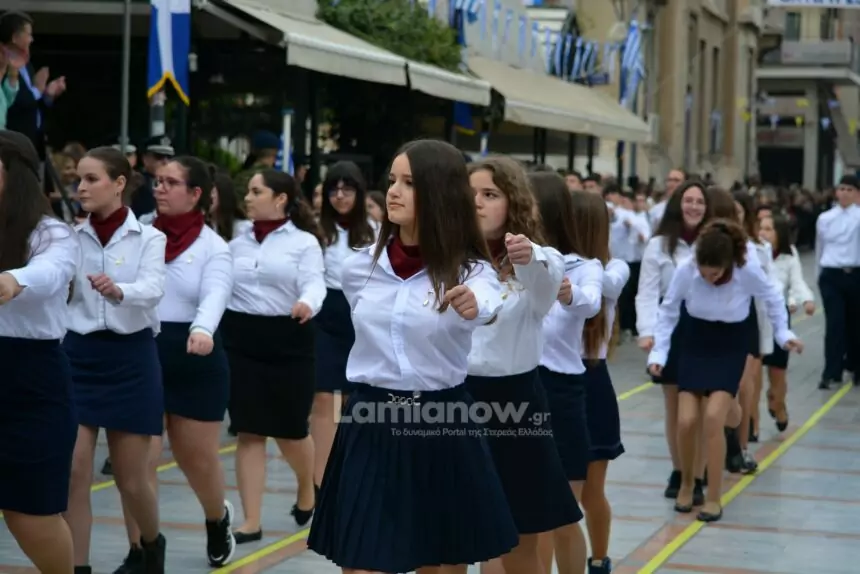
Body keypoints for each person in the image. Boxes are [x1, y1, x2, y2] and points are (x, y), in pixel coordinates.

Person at [308, 139, 519, 573]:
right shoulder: (358, 267)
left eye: (409, 182)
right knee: (360, 560)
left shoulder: (471, 272)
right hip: (370, 419)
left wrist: (475, 304)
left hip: (440, 421)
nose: (393, 192)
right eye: (392, 180)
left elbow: (489, 300)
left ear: (439, 192)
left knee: (441, 561)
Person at [117, 156, 236, 568]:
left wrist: (203, 329)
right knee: (136, 464)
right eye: (158, 181)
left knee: (195, 459)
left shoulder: (213, 247)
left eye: (171, 182)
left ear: (196, 193)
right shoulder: (139, 231)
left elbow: (216, 294)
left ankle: (217, 518)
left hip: (193, 354)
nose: (160, 188)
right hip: (141, 351)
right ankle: (141, 549)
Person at [466, 157, 581, 574]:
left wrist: (528, 256)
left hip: (516, 402)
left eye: (490, 194)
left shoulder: (540, 259)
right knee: (453, 537)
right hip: (456, 399)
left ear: (512, 202)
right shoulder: (449, 259)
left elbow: (545, 285)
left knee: (520, 538)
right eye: (470, 194)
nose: (477, 202)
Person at [648, 218, 803, 522]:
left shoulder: (747, 270)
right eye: (704, 273)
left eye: (716, 274)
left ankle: (714, 497)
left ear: (729, 264)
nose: (709, 279)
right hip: (695, 340)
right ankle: (688, 483)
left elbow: (773, 298)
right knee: (686, 420)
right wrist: (659, 353)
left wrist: (783, 334)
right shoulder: (687, 269)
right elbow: (668, 311)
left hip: (730, 343)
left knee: (712, 418)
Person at [63, 147, 166, 574]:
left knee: (131, 479)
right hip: (78, 356)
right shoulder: (69, 237)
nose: (81, 188)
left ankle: (151, 544)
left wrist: (120, 290)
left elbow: (154, 288)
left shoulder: (150, 238)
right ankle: (78, 567)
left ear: (119, 183)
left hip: (131, 358)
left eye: (92, 179)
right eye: (78, 180)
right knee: (74, 472)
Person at [224, 169, 323, 541]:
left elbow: (314, 282)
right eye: (248, 191)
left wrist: (307, 302)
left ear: (280, 199)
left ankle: (307, 487)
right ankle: (251, 521)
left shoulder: (304, 243)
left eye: (256, 191)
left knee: (291, 430)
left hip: (289, 337)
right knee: (248, 430)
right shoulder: (236, 240)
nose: (248, 198)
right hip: (241, 338)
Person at [0, 130, 79, 574]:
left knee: (31, 515)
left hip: (31, 383)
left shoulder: (51, 233)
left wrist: (14, 280)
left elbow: (51, 272)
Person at [530, 178, 604, 574]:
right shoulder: (507, 263)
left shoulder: (583, 266)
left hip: (562, 392)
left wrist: (569, 293)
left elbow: (591, 302)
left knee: (561, 514)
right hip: (518, 389)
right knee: (524, 517)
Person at [635, 180, 709, 502]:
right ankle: (679, 470)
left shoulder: (713, 241)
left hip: (707, 327)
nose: (694, 207)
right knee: (675, 406)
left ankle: (699, 475)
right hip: (671, 327)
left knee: (702, 409)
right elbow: (647, 292)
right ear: (678, 205)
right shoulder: (659, 245)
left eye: (700, 201)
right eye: (688, 200)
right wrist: (647, 332)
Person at [310, 161, 376, 494]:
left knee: (355, 398)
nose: (340, 196)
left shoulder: (376, 230)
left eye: (347, 189)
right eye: (333, 189)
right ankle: (320, 480)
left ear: (359, 193)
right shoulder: (316, 230)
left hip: (361, 315)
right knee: (322, 396)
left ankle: (353, 471)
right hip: (325, 313)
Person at [759, 215, 815, 431]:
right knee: (752, 371)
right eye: (760, 228)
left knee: (777, 372)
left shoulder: (789, 254)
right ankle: (751, 425)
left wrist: (806, 300)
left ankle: (778, 403)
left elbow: (797, 281)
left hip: (778, 316)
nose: (763, 233)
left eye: (768, 229)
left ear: (779, 233)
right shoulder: (753, 252)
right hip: (755, 315)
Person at [816, 175, 860, 389]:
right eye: (841, 189)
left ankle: (855, 366)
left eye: (849, 189)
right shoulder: (825, 218)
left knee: (855, 323)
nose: (844, 193)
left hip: (855, 274)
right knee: (835, 323)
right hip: (831, 275)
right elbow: (820, 247)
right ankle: (831, 371)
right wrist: (819, 273)